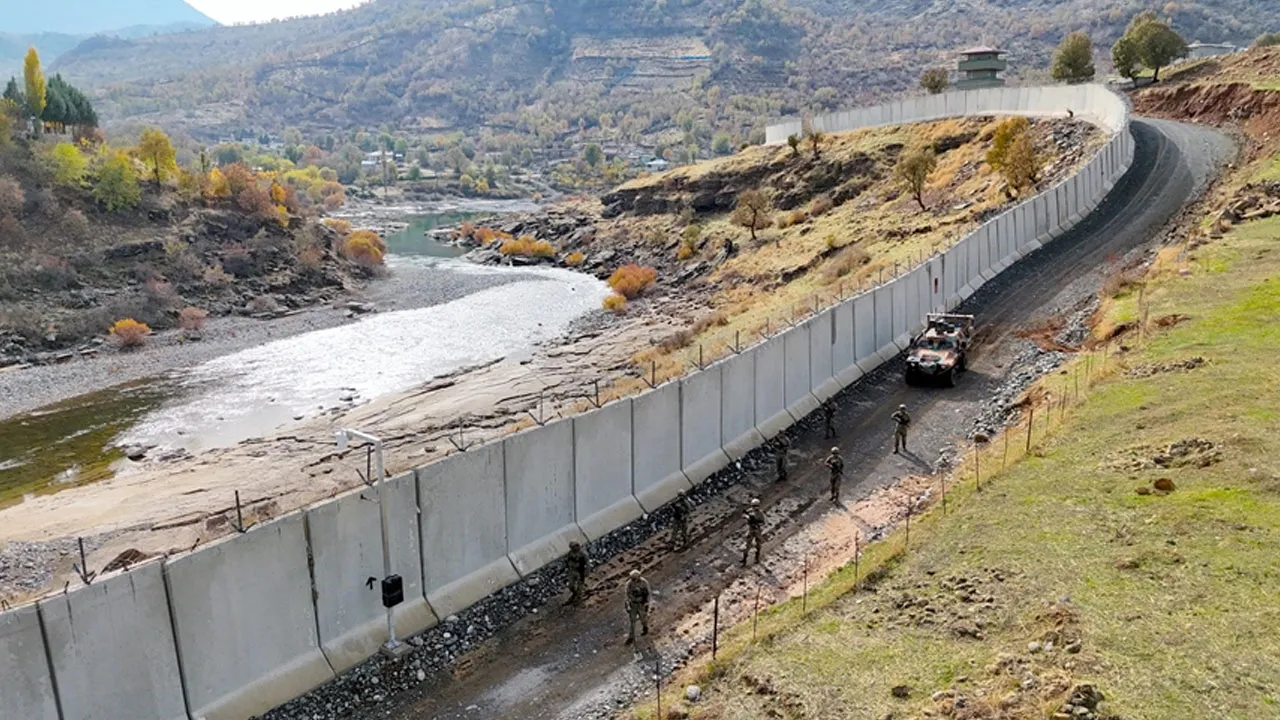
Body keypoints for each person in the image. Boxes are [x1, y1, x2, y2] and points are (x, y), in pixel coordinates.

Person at [624, 569, 651, 645]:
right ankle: (631, 637)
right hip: (633, 604)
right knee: (632, 621)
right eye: (632, 578)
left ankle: (645, 627)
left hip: (641, 604)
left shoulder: (644, 583)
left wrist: (646, 603)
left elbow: (648, 593)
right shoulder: (629, 584)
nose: (633, 580)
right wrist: (627, 605)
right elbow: (626, 595)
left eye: (634, 578)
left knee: (643, 618)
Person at [565, 541, 589, 606]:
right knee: (571, 585)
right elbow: (568, 561)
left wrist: (587, 571)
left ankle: (579, 599)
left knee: (579, 587)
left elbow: (587, 563)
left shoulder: (583, 554)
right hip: (572, 571)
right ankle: (574, 593)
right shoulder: (570, 553)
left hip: (580, 572)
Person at [742, 498, 765, 565]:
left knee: (758, 544)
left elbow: (762, 522)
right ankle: (744, 560)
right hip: (751, 529)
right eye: (754, 506)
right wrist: (747, 517)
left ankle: (757, 558)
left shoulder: (760, 513)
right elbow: (743, 515)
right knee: (747, 545)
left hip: (757, 530)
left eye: (756, 506)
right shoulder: (749, 511)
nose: (755, 507)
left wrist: (756, 523)